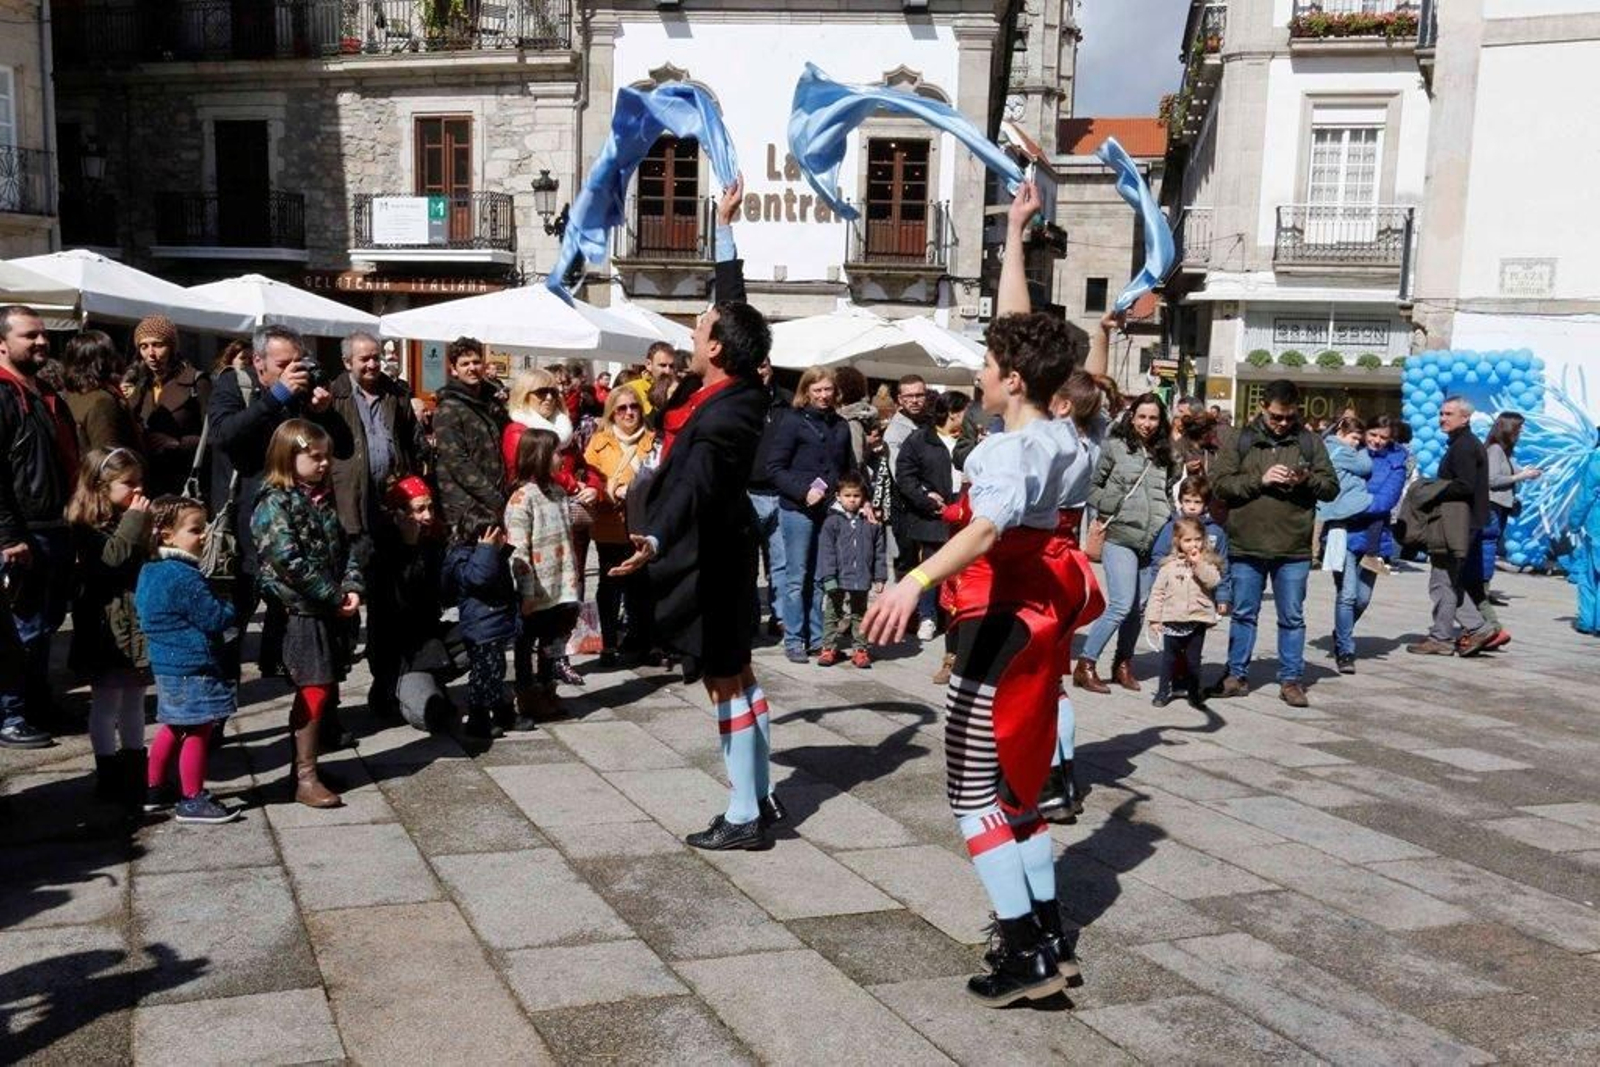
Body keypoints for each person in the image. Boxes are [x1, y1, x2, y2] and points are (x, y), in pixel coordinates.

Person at [862, 180, 1099, 1007]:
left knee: (970, 796)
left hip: (996, 620)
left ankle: (1026, 952)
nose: (979, 369)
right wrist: (1017, 237)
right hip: (1040, 615)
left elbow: (989, 526)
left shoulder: (1004, 453)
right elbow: (1026, 338)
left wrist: (916, 578)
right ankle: (1043, 930)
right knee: (1016, 791)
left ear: (1009, 383)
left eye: (987, 366)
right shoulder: (1068, 435)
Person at [609, 175, 786, 852]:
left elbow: (693, 485)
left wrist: (653, 533)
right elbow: (734, 308)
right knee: (739, 672)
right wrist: (725, 229)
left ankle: (743, 811)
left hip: (710, 554)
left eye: (703, 327)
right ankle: (762, 797)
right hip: (728, 546)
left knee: (722, 678)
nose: (696, 326)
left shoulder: (722, 416)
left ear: (716, 350)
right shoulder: (738, 384)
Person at [209, 324, 349, 686]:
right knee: (229, 627)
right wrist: (276, 397)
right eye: (284, 363)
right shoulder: (233, 385)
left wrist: (326, 412)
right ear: (259, 362)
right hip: (244, 529)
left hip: (298, 527)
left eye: (297, 362)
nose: (294, 371)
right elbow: (224, 436)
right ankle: (213, 719)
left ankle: (315, 718)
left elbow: (343, 448)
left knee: (306, 629)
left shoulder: (303, 393)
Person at [250, 420, 363, 809]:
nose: (324, 464)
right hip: (301, 610)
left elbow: (344, 548)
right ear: (288, 456)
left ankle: (306, 767)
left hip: (327, 607)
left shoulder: (320, 497)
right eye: (314, 457)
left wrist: (351, 586)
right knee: (313, 689)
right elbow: (287, 561)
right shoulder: (274, 502)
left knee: (326, 687)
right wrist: (332, 595)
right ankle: (306, 778)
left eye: (326, 456)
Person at [1207, 379, 1337, 706]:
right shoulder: (1241, 439)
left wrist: (1306, 480)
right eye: (1276, 417)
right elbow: (1220, 485)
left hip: (1292, 546)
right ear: (1262, 408)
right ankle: (1236, 675)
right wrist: (1259, 480)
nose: (1282, 424)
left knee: (1292, 616)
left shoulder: (1309, 442)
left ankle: (1291, 679)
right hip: (1246, 543)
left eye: (1289, 417)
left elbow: (1331, 487)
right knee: (1244, 614)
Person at [0, 305, 78, 749]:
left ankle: (35, 702)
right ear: (3, 343)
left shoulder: (44, 391)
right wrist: (9, 536)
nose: (41, 342)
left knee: (45, 625)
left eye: (43, 335)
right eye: (29, 336)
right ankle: (10, 714)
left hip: (55, 525)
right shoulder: (3, 394)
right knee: (19, 629)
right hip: (23, 532)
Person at [135, 495, 240, 824]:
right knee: (199, 728)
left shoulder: (150, 570)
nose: (204, 535)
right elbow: (213, 618)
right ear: (166, 534)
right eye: (196, 530)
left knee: (173, 724)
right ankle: (192, 798)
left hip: (167, 666)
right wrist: (230, 606)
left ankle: (153, 788)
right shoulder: (184, 576)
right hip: (192, 666)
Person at [67, 446, 152, 813]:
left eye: (139, 482)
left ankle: (135, 765)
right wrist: (135, 521)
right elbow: (112, 558)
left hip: (135, 617)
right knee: (105, 700)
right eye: (127, 483)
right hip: (105, 624)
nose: (137, 490)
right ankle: (107, 768)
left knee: (135, 698)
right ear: (102, 487)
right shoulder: (86, 525)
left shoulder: (130, 515)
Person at [1075, 393, 1177, 693]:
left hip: (1152, 537)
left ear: (1161, 422)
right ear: (1132, 417)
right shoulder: (1114, 447)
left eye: (1153, 418)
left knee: (1139, 608)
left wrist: (1167, 517)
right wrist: (1113, 503)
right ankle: (1086, 663)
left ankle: (1123, 663)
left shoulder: (1165, 453)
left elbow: (1167, 492)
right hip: (1119, 534)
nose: (1147, 423)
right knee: (1121, 605)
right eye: (1142, 416)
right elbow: (1092, 487)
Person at [766, 364, 854, 663]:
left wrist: (860, 498)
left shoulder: (841, 425)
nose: (823, 395)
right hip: (798, 509)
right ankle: (794, 639)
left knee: (821, 578)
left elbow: (848, 469)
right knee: (796, 577)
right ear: (806, 392)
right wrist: (804, 491)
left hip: (829, 509)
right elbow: (774, 468)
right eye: (817, 390)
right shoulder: (792, 422)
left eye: (828, 389)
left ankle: (818, 639)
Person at [1409, 396, 1497, 657]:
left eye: (1449, 414)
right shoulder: (1463, 443)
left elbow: (1465, 485)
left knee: (1441, 581)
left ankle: (1454, 633)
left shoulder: (1465, 446)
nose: (1442, 418)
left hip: (1458, 522)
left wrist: (1432, 489)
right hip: (1463, 521)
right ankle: (1457, 631)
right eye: (1441, 413)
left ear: (1465, 417)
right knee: (1447, 580)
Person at [506, 428, 583, 726]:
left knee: (553, 643)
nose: (560, 458)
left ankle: (548, 686)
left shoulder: (558, 493)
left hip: (560, 586)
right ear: (538, 456)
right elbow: (518, 549)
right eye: (555, 452)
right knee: (525, 643)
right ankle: (526, 693)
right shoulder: (522, 498)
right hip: (535, 588)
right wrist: (525, 590)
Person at [328, 330, 420, 569]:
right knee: (356, 572)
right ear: (348, 362)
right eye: (364, 359)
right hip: (351, 498)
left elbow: (412, 441)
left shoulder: (396, 395)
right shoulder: (334, 397)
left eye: (376, 358)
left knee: (390, 575)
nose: (372, 364)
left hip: (391, 498)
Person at [367, 476, 451, 731]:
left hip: (428, 639)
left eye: (430, 507)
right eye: (419, 509)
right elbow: (401, 601)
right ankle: (389, 688)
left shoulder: (433, 541)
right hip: (399, 650)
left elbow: (445, 591)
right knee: (430, 715)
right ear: (399, 513)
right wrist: (410, 546)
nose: (427, 515)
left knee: (482, 632)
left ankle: (430, 681)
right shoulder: (382, 549)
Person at [584, 386, 656, 666]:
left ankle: (644, 641)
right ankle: (609, 642)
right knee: (610, 583)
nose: (629, 413)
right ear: (612, 411)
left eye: (634, 407)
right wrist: (613, 489)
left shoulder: (652, 441)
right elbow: (592, 478)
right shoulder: (599, 442)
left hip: (644, 523)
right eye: (622, 408)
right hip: (610, 523)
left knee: (643, 585)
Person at [1331, 416, 1408, 672]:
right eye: (1372, 434)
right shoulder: (1351, 451)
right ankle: (1345, 649)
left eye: (1382, 437)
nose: (1376, 441)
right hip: (1344, 533)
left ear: (1390, 439)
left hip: (1376, 537)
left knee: (1363, 599)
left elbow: (1387, 499)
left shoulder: (1397, 462)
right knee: (1347, 595)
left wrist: (1352, 506)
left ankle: (1341, 630)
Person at [896, 390, 967, 642]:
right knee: (930, 566)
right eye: (964, 412)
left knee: (961, 567)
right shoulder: (920, 439)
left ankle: (955, 616)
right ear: (952, 413)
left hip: (963, 512)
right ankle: (927, 616)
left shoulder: (969, 440)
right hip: (931, 516)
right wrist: (925, 498)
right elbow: (905, 475)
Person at [442, 523, 518, 739]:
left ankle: (502, 712)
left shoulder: (491, 556)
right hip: (480, 627)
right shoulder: (464, 558)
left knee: (496, 671)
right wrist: (486, 549)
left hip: (495, 625)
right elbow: (478, 579)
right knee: (483, 675)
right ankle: (478, 718)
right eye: (499, 533)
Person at [126, 315, 210, 497]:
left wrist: (178, 444)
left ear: (172, 347)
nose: (151, 354)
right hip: (147, 484)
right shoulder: (141, 386)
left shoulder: (197, 382)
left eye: (157, 345)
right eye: (144, 346)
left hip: (184, 483)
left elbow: (215, 435)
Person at [1144, 517, 1224, 710]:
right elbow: (1157, 593)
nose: (1193, 544)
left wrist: (1198, 564)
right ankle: (1164, 690)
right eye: (1187, 540)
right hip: (1172, 618)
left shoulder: (1208, 562)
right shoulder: (1168, 566)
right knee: (1169, 659)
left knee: (1193, 660)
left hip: (1197, 618)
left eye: (1197, 539)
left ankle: (1194, 692)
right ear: (1177, 541)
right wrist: (1154, 618)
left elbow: (1213, 582)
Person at [433, 336, 509, 535]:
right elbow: (457, 461)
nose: (472, 368)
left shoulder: (488, 402)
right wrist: (493, 497)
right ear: (453, 369)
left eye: (476, 362)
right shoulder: (448, 408)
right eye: (465, 364)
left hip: (491, 501)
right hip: (465, 507)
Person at [816, 472, 886, 668]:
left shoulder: (871, 523)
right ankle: (828, 648)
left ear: (863, 497)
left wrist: (880, 576)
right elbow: (826, 551)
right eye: (847, 495)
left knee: (860, 615)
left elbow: (880, 551)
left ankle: (860, 650)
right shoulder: (832, 522)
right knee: (832, 613)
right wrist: (828, 576)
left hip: (861, 576)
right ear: (838, 496)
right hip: (837, 577)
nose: (852, 500)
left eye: (856, 496)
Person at [746, 355, 794, 638]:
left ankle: (779, 616)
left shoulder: (787, 403)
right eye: (754, 366)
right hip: (749, 492)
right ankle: (750, 617)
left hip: (781, 493)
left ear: (770, 368)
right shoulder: (739, 403)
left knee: (781, 562)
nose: (759, 371)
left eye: (763, 365)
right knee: (748, 563)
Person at [1483, 413, 1541, 611]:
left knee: (1490, 545)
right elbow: (1492, 480)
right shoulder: (1495, 450)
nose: (1522, 431)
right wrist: (1522, 476)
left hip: (1500, 505)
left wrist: (1526, 471)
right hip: (1492, 505)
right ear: (1509, 428)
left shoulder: (1503, 452)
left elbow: (1512, 470)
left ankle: (1484, 589)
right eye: (1520, 427)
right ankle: (1481, 590)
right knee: (1488, 545)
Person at [61, 330, 140, 454]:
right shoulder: (102, 401)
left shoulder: (71, 395)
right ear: (102, 361)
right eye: (111, 354)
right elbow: (108, 458)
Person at [884, 374, 932, 581]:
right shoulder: (895, 431)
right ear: (900, 399)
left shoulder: (931, 422)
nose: (914, 400)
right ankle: (908, 611)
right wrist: (924, 495)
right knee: (908, 560)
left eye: (919, 395)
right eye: (909, 396)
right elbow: (901, 475)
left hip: (931, 500)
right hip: (907, 503)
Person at [1570, 429, 1600, 635]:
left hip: (1597, 525)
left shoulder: (1596, 459)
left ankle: (1589, 620)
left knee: (1590, 574)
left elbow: (1586, 495)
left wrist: (1573, 522)